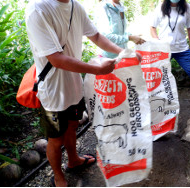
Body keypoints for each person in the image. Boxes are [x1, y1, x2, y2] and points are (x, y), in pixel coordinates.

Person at [25, 0, 126, 186]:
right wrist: (97, 70)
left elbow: (95, 36)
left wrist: (124, 52)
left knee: (72, 126)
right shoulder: (37, 9)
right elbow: (55, 58)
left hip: (74, 85)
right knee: (55, 140)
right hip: (53, 91)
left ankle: (73, 160)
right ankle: (58, 176)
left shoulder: (75, 6)